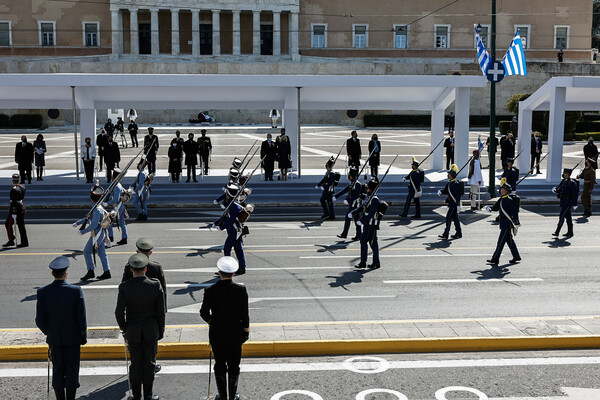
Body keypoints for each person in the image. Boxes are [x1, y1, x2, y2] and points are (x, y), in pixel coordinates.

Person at [35, 256, 87, 400]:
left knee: (57, 371)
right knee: (72, 371)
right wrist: (83, 337)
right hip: (73, 339)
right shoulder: (76, 291)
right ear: (66, 273)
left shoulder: (42, 292)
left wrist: (50, 332)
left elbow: (40, 320)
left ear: (53, 273)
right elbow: (81, 318)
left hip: (55, 339)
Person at [115, 253, 165, 400]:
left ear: (131, 270)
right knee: (149, 364)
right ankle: (148, 395)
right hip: (151, 330)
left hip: (133, 331)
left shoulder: (124, 287)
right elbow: (160, 312)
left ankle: (136, 396)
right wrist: (160, 331)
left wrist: (124, 328)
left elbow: (119, 312)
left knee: (135, 364)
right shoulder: (155, 285)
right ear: (145, 269)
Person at [200, 256, 249, 400]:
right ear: (233, 274)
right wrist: (245, 331)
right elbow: (245, 314)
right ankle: (232, 396)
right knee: (234, 365)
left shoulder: (210, 290)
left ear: (219, 272)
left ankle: (222, 396)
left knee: (220, 364)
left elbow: (203, 313)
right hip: (235, 333)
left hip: (217, 333)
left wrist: (211, 322)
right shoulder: (240, 290)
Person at [73, 184, 111, 281]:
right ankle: (107, 271)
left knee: (86, 251)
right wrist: (78, 223)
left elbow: (93, 225)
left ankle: (91, 271)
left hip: (97, 235)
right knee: (102, 253)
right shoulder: (97, 207)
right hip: (99, 234)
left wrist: (83, 231)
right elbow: (87, 217)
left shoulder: (97, 209)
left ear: (91, 198)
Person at [122, 238, 167, 311]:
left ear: (137, 252)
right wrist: (163, 309)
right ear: (150, 253)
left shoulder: (129, 267)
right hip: (153, 310)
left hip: (133, 309)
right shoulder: (157, 267)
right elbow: (163, 291)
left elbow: (123, 288)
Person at [213, 184, 247, 275]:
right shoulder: (232, 204)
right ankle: (242, 267)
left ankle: (226, 269)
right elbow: (225, 216)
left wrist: (221, 227)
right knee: (238, 249)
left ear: (229, 195)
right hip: (235, 231)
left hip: (234, 231)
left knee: (227, 249)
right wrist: (216, 223)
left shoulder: (234, 206)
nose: (226, 195)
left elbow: (230, 220)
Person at [486, 180, 521, 265]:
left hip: (507, 223)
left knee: (500, 242)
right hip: (503, 223)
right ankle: (516, 256)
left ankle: (495, 259)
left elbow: (514, 212)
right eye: (501, 189)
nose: (502, 190)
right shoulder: (503, 198)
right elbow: (497, 207)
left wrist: (516, 221)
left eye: (504, 189)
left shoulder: (508, 200)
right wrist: (491, 208)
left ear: (507, 191)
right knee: (509, 241)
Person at [351, 179, 381, 269]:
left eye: (368, 187)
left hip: (371, 225)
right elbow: (362, 207)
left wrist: (362, 221)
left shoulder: (374, 199)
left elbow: (371, 214)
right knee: (371, 243)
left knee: (368, 242)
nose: (366, 188)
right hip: (368, 224)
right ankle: (374, 262)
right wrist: (353, 212)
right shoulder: (369, 197)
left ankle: (365, 262)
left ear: (371, 189)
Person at [334, 168, 362, 240]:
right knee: (355, 220)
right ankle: (358, 235)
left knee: (351, 219)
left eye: (351, 176)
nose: (349, 177)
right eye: (349, 176)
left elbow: (357, 195)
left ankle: (346, 234)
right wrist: (336, 196)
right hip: (352, 204)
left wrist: (348, 199)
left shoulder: (357, 184)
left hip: (355, 205)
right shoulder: (351, 183)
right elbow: (344, 190)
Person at [552, 168, 579, 238]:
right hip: (563, 202)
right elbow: (561, 189)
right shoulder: (564, 181)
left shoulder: (572, 183)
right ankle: (570, 232)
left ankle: (557, 232)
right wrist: (556, 190)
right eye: (564, 173)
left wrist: (575, 204)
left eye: (566, 174)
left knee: (561, 216)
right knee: (568, 218)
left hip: (568, 203)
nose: (564, 175)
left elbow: (575, 194)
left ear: (569, 175)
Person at [3, 173, 28, 248]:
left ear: (13, 180)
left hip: (15, 209)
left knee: (8, 224)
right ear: (19, 179)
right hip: (21, 206)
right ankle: (24, 242)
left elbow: (14, 202)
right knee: (21, 225)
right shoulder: (22, 187)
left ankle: (11, 240)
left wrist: (13, 212)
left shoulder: (14, 189)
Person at [438, 164, 462, 240]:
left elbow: (457, 195)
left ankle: (446, 234)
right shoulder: (450, 182)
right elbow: (446, 190)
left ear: (451, 175)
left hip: (454, 204)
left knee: (448, 218)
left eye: (449, 174)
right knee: (455, 219)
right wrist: (441, 191)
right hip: (452, 203)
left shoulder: (455, 184)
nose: (448, 175)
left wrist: (458, 204)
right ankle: (459, 233)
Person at [106, 168, 129, 245]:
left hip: (117, 206)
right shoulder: (118, 184)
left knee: (109, 220)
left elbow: (116, 199)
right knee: (122, 222)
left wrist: (107, 203)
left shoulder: (116, 186)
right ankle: (124, 237)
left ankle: (111, 236)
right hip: (120, 206)